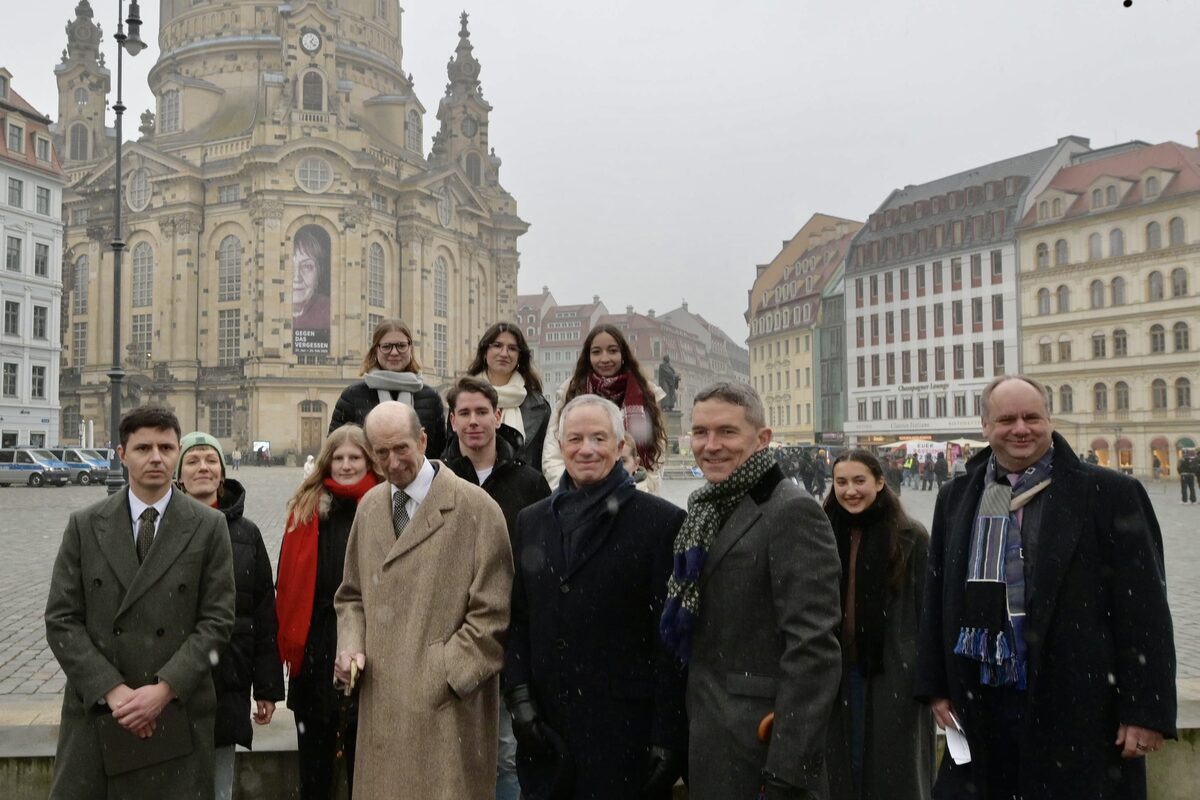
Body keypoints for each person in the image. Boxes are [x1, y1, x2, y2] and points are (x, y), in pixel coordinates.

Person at [915, 375, 1176, 799]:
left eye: (1032, 417)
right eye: (1007, 419)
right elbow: (938, 594)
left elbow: (1145, 609)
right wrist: (936, 686)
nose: (1021, 428)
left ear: (1049, 420)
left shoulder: (1108, 493)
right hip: (983, 705)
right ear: (985, 427)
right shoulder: (960, 495)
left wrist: (1145, 711)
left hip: (1081, 707)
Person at [44, 406, 236, 799]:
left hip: (174, 713)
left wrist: (161, 690)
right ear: (121, 453)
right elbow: (61, 619)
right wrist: (114, 692)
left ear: (177, 452)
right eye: (143, 447)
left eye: (166, 448)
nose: (155, 458)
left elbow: (217, 621)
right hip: (100, 712)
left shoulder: (209, 526)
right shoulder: (84, 524)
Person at [662, 382, 841, 800]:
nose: (710, 445)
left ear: (762, 439)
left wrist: (786, 771)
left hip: (761, 744)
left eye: (727, 432)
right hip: (710, 737)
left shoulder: (790, 510)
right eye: (700, 432)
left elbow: (813, 648)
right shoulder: (705, 508)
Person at [505, 395, 687, 799]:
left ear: (621, 447)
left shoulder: (660, 523)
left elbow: (671, 641)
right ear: (561, 444)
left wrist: (667, 734)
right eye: (575, 439)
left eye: (598, 438)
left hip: (624, 735)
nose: (585, 449)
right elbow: (519, 619)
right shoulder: (532, 521)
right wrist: (519, 697)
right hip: (547, 734)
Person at [334, 401, 513, 798]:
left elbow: (493, 616)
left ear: (423, 440)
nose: (393, 462)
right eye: (381, 453)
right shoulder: (368, 508)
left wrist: (441, 674)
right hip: (380, 706)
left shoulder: (478, 509)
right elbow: (350, 597)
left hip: (447, 714)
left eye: (401, 449)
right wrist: (350, 647)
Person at [442, 377, 551, 800]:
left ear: (498, 417)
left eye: (481, 412)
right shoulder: (436, 480)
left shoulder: (529, 483)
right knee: (453, 751)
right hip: (451, 632)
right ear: (452, 421)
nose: (473, 421)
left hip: (510, 631)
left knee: (507, 753)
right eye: (464, 413)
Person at [175, 431, 284, 800]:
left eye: (210, 460)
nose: (203, 467)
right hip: (170, 681)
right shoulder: (161, 529)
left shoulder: (247, 533)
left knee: (219, 786)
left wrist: (267, 687)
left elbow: (264, 612)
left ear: (222, 474)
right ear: (179, 476)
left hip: (229, 676)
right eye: (193, 460)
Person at [276, 424, 380, 800]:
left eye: (355, 457)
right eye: (339, 458)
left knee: (364, 756)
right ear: (327, 462)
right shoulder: (307, 507)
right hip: (317, 640)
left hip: (370, 639)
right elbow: (285, 582)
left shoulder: (384, 504)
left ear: (368, 460)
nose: (347, 465)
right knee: (314, 761)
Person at [822, 450, 934, 800]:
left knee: (890, 769)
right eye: (841, 482)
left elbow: (926, 610)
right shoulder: (821, 530)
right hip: (833, 670)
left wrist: (922, 667)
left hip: (891, 671)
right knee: (840, 765)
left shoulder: (910, 537)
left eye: (859, 481)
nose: (850, 490)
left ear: (880, 482)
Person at [543, 324, 668, 493]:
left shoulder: (646, 394)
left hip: (634, 497)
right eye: (596, 352)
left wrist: (640, 493)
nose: (605, 358)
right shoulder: (571, 393)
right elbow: (553, 453)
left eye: (612, 350)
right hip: (579, 496)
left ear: (623, 354)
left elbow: (655, 457)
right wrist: (570, 493)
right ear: (588, 356)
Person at [328, 318, 446, 458]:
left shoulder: (431, 398)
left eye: (401, 345)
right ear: (375, 350)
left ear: (410, 348)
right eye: (386, 346)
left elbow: (440, 452)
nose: (394, 352)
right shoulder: (352, 396)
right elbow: (333, 450)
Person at [457, 321, 552, 470]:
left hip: (521, 490)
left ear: (520, 356)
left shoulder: (539, 407)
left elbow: (544, 461)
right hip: (470, 488)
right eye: (497, 345)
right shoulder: (462, 398)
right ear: (485, 351)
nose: (504, 353)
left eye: (512, 348)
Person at [292, 224, 332, 331]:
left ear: (318, 274)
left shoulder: (330, 312)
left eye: (306, 266)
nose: (297, 277)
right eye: (288, 266)